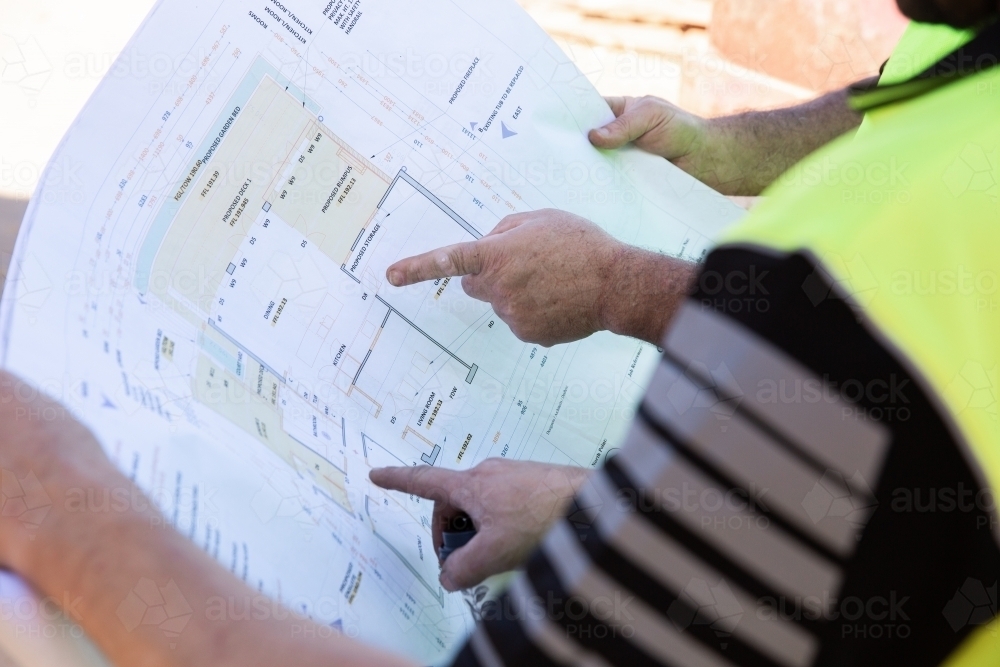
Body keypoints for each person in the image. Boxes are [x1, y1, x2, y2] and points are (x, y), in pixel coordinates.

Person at [0, 2, 997, 667]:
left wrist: (72, 516)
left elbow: (869, 373)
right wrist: (596, 512)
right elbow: (922, 89)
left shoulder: (859, 312)